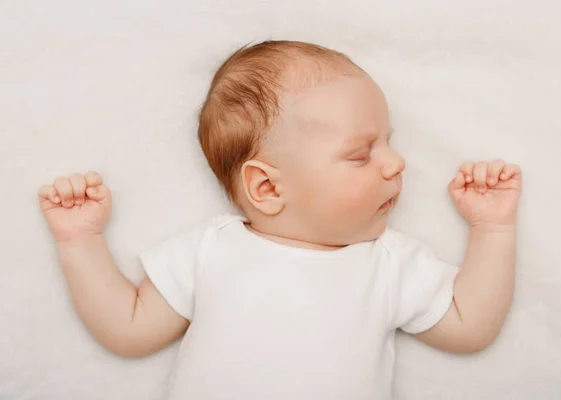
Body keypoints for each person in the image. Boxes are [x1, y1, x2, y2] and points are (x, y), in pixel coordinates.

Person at [38, 40, 522, 399]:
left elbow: (469, 328)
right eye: (361, 154)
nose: (396, 163)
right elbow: (128, 330)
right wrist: (80, 241)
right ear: (267, 188)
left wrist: (492, 229)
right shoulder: (211, 250)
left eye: (388, 142)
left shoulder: (389, 262)